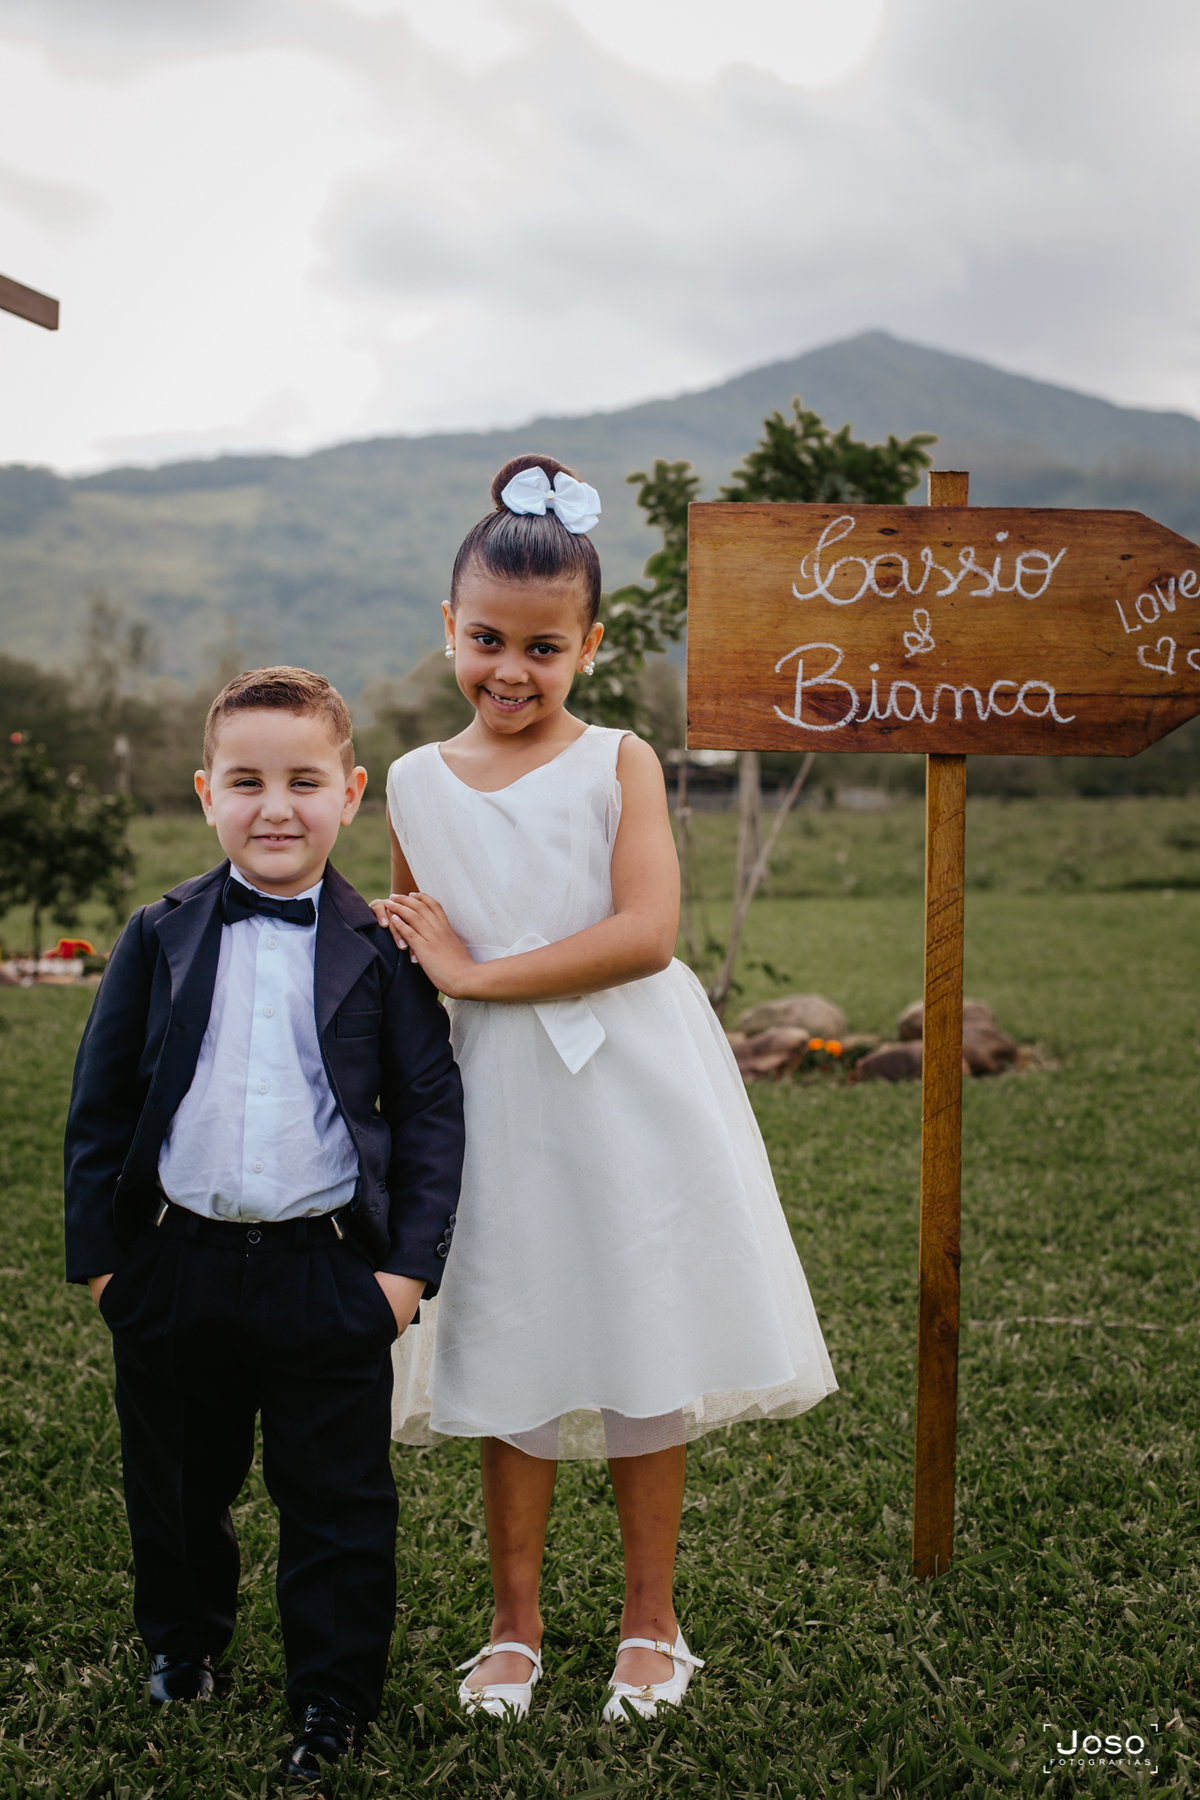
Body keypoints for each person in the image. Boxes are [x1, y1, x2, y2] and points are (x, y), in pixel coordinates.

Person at [375, 456, 837, 1725]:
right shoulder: (412, 781)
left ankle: (651, 1620)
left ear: (589, 644)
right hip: (492, 1092)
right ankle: (512, 1627)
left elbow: (645, 933)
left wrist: (475, 971)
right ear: (450, 627)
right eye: (486, 640)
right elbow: (418, 944)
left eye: (543, 648)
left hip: (632, 1080)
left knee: (644, 1328)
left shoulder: (620, 760)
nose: (510, 671)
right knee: (506, 1327)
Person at [63, 667, 464, 1787]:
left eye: (303, 782)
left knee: (337, 1504)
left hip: (325, 1268)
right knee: (177, 1487)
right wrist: (104, 1268)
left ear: (351, 794)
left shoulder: (382, 948)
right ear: (207, 794)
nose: (275, 808)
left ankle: (331, 1697)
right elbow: (99, 1106)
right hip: (174, 1262)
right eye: (246, 781)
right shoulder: (158, 932)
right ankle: (183, 1644)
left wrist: (402, 1277)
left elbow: (430, 1113)